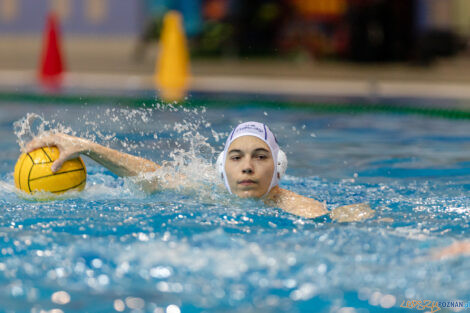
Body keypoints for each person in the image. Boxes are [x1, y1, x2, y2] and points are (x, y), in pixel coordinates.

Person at [25, 121, 372, 220]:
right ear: (222, 169)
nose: (247, 167)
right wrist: (87, 146)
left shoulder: (297, 209)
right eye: (236, 157)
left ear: (278, 169)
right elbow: (151, 175)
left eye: (260, 157)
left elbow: (338, 217)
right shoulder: (207, 190)